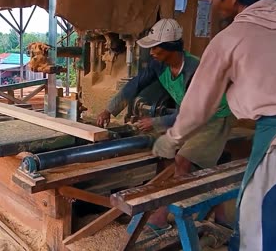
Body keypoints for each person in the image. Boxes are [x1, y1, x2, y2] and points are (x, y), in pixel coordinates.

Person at [152, 0, 276, 250]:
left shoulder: (230, 38)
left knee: (257, 228)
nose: (212, 3)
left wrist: (172, 137)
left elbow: (199, 103)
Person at [97, 18, 233, 233]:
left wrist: (156, 121)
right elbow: (135, 85)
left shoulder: (195, 70)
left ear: (171, 48)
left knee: (183, 159)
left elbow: (192, 112)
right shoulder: (158, 65)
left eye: (155, 47)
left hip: (214, 116)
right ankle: (222, 216)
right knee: (205, 166)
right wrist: (109, 109)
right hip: (189, 115)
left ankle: (161, 217)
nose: (151, 52)